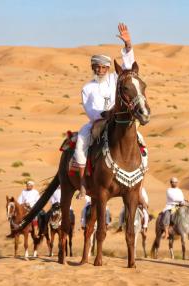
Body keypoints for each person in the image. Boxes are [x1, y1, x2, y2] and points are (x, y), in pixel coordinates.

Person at [74, 23, 135, 200]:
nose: (100, 70)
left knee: (138, 138)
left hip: (119, 120)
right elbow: (89, 109)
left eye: (103, 68)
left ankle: (139, 171)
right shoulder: (87, 88)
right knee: (81, 141)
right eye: (97, 67)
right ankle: (84, 183)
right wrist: (102, 114)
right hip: (98, 122)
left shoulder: (116, 78)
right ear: (93, 68)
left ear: (108, 68)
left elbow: (129, 66)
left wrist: (128, 45)